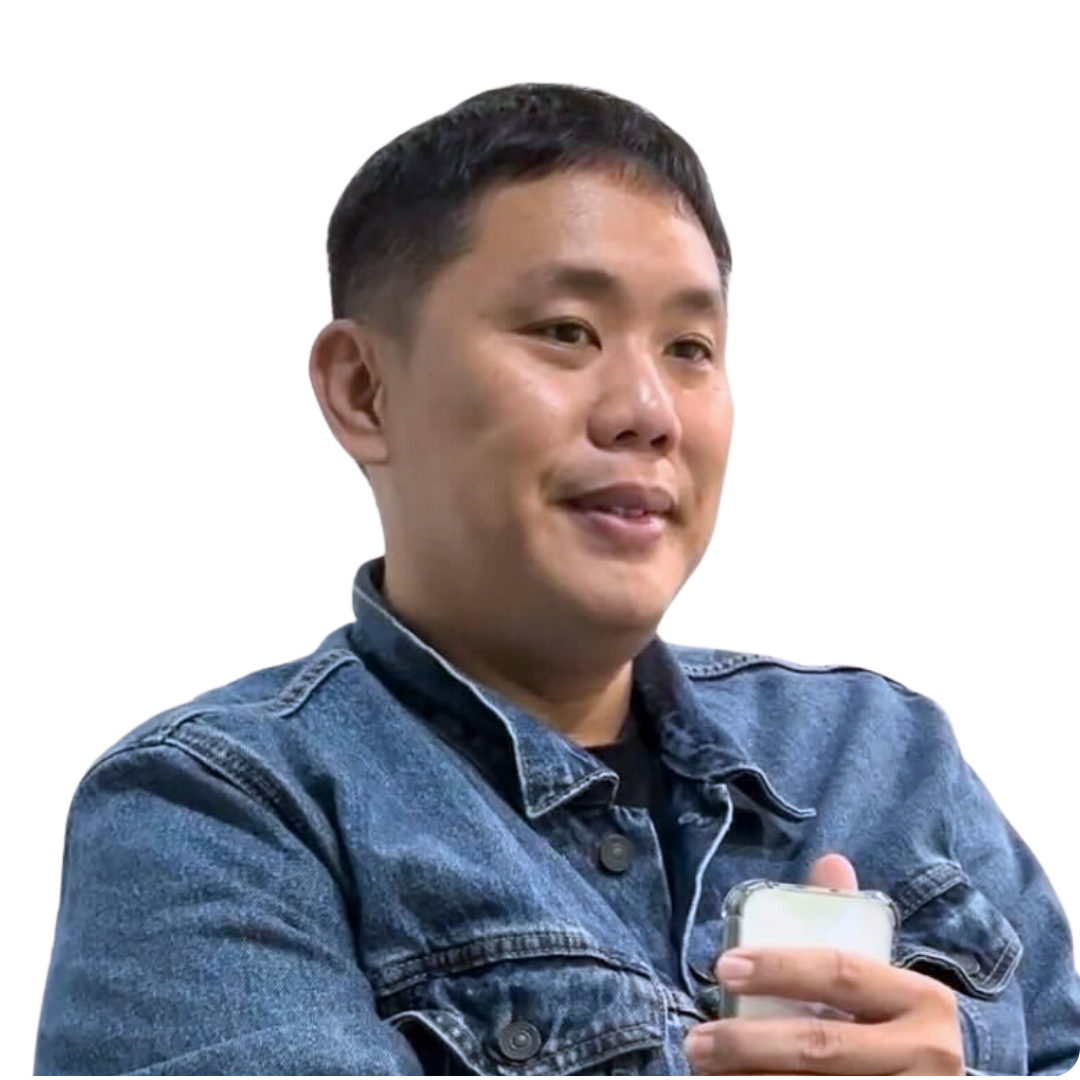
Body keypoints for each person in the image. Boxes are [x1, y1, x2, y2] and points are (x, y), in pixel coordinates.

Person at [34, 82, 1079, 1076]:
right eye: (567, 332)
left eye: (690, 347)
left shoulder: (881, 757)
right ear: (364, 390)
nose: (648, 412)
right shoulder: (217, 811)